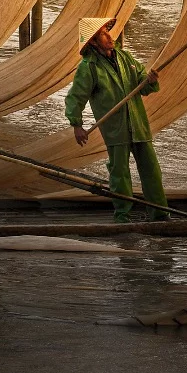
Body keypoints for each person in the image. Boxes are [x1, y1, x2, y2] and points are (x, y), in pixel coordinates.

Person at [65, 16, 169, 223]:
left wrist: (149, 80)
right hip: (115, 128)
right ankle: (123, 215)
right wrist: (77, 125)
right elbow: (76, 96)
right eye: (103, 33)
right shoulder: (89, 67)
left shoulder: (126, 58)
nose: (109, 36)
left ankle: (159, 214)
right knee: (119, 173)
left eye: (107, 31)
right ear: (93, 41)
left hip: (138, 124)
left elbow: (143, 85)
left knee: (151, 171)